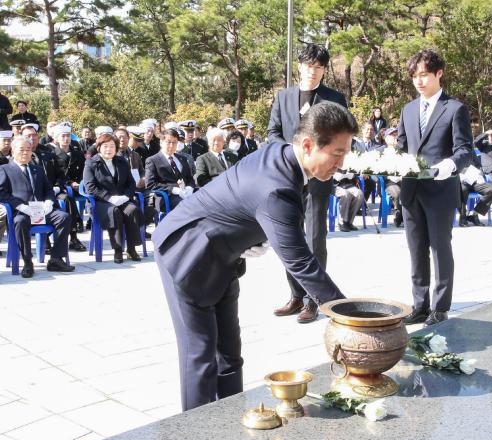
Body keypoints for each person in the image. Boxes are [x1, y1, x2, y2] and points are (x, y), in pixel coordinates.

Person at [153, 101, 355, 411]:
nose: (341, 163)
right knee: (201, 357)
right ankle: (195, 435)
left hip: (223, 255)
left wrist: (254, 233)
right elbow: (301, 262)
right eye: (337, 154)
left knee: (230, 355)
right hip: (187, 253)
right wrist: (351, 317)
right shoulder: (276, 189)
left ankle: (232, 422)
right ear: (307, 145)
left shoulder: (283, 154)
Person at [267, 43, 348, 324]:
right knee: (289, 238)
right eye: (308, 66)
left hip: (319, 178)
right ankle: (295, 295)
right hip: (289, 178)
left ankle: (314, 300)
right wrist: (291, 154)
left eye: (318, 67)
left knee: (315, 238)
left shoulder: (334, 98)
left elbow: (341, 136)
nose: (312, 72)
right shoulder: (283, 97)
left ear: (324, 70)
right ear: (299, 66)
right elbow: (273, 132)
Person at [396, 49, 472, 326]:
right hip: (411, 189)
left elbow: (465, 151)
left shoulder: (455, 109)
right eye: (415, 76)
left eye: (424, 75)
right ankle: (419, 305)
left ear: (439, 74)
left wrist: (448, 166)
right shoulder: (407, 109)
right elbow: (402, 148)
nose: (419, 81)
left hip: (440, 190)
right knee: (416, 249)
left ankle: (440, 307)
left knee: (440, 248)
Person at [0, 136, 74, 277]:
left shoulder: (37, 169)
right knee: (20, 222)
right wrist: (20, 206)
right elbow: (2, 193)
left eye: (28, 149)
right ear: (13, 151)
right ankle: (28, 262)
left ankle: (56, 259)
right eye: (21, 149)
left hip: (41, 210)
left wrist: (49, 202)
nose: (25, 153)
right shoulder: (5, 169)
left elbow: (48, 190)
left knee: (64, 217)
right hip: (22, 211)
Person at [83, 133, 143, 263]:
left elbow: (131, 183)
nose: (109, 149)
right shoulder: (91, 163)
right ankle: (117, 249)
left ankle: (131, 248)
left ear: (116, 148)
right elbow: (90, 187)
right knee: (114, 212)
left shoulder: (121, 161)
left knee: (132, 209)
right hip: (102, 202)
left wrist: (126, 196)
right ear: (99, 147)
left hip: (122, 199)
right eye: (105, 146)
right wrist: (110, 198)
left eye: (112, 146)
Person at [50, 124, 87, 251]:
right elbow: (56, 175)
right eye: (63, 136)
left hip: (79, 186)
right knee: (68, 198)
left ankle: (92, 222)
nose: (66, 139)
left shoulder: (77, 153)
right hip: (62, 187)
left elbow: (84, 171)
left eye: (68, 136)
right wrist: (70, 183)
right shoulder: (52, 154)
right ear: (57, 138)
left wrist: (82, 182)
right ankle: (74, 236)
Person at [145, 129, 196, 212]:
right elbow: (150, 184)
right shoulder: (152, 160)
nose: (171, 145)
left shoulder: (182, 158)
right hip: (167, 196)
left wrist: (190, 188)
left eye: (174, 142)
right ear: (161, 142)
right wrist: (174, 190)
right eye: (168, 142)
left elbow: (190, 178)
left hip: (186, 193)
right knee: (185, 205)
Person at [458, 152, 492, 226]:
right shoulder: (452, 152)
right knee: (462, 190)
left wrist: (478, 173)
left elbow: (478, 166)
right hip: (460, 180)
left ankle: (474, 214)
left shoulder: (471, 152)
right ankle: (462, 216)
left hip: (474, 180)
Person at [380, 128, 403, 227]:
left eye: (396, 135)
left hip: (403, 180)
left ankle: (403, 217)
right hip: (389, 182)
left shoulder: (402, 151)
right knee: (398, 193)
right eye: (392, 135)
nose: (395, 137)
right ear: (386, 138)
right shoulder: (381, 151)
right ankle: (400, 217)